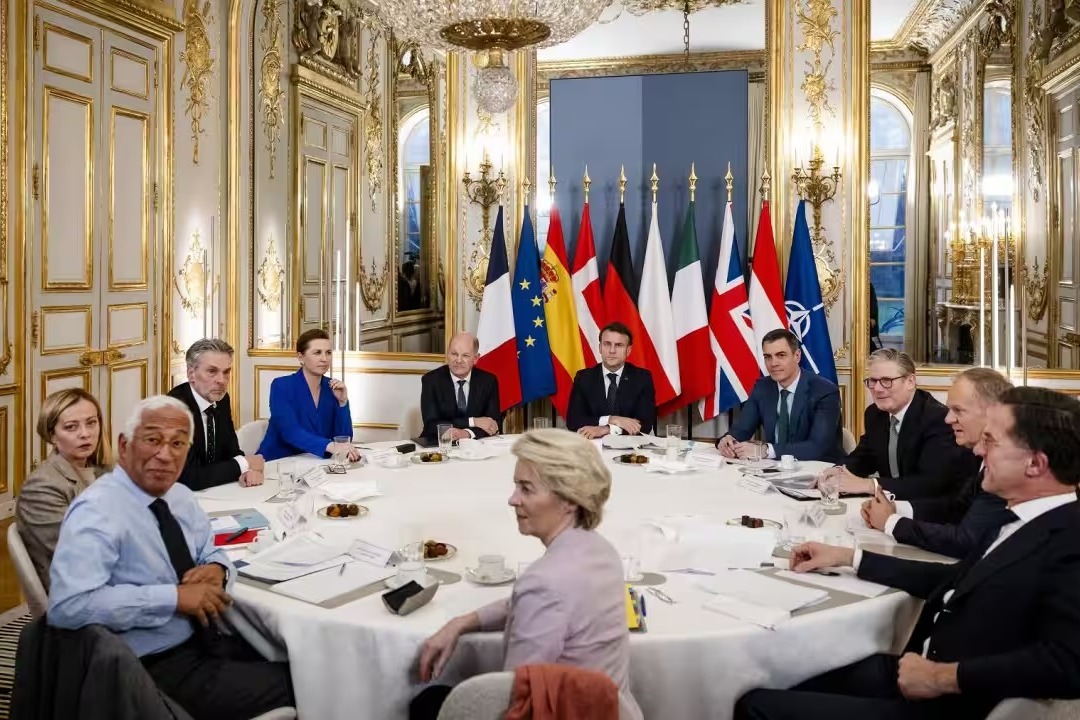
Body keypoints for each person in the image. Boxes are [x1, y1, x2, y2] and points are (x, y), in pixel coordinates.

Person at [734, 387, 1080, 720]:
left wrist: (942, 677)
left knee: (755, 705)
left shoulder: (1069, 541)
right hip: (913, 668)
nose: (977, 451)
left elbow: (1068, 664)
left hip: (941, 701)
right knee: (779, 674)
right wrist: (849, 557)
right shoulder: (1015, 516)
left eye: (991, 442)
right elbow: (957, 578)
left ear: (1035, 464)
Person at [47, 396, 295, 720]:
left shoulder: (179, 496)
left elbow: (210, 550)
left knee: (310, 660)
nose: (165, 455)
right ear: (124, 446)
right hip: (148, 667)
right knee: (308, 683)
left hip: (211, 640)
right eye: (153, 440)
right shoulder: (98, 511)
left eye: (178, 444)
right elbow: (68, 607)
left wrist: (217, 569)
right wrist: (173, 598)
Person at [410, 429, 638, 719]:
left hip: (563, 713)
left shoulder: (544, 582)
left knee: (426, 702)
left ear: (569, 499)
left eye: (526, 489)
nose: (512, 499)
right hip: (611, 710)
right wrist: (462, 623)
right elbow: (540, 603)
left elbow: (516, 702)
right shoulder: (602, 551)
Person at [860, 367, 1012, 558]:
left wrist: (891, 522)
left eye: (958, 410)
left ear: (992, 413)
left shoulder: (1007, 467)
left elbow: (965, 540)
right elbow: (956, 508)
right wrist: (895, 509)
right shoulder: (971, 453)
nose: (948, 419)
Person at [826, 349, 968, 500]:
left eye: (886, 381)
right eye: (873, 381)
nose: (877, 389)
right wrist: (837, 472)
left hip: (927, 506)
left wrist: (870, 485)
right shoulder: (874, 413)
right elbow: (864, 457)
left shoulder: (937, 418)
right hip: (889, 501)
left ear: (910, 382)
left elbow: (929, 484)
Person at [16, 388, 111, 589]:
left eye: (91, 423)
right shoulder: (40, 487)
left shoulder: (104, 472)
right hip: (80, 592)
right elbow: (81, 555)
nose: (85, 434)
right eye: (71, 427)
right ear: (52, 436)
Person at [716, 328, 843, 463]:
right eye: (768, 357)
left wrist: (765, 450)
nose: (773, 363)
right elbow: (741, 430)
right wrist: (727, 441)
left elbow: (817, 447)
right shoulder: (763, 387)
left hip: (821, 468)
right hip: (776, 468)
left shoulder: (824, 391)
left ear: (797, 356)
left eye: (781, 355)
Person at [169, 338, 265, 490]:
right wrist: (244, 463)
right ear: (191, 374)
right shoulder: (174, 409)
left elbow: (231, 450)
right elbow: (188, 477)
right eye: (212, 371)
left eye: (226, 372)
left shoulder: (221, 399)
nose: (222, 380)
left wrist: (246, 471)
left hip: (214, 492)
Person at [257, 328, 359, 462]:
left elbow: (343, 439)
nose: (324, 359)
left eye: (328, 353)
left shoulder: (332, 387)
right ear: (301, 357)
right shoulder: (282, 386)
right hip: (278, 462)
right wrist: (331, 446)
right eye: (317, 353)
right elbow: (291, 432)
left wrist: (342, 403)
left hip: (315, 463)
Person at [566, 322, 656, 438]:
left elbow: (644, 424)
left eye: (618, 345)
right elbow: (573, 421)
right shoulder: (583, 378)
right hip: (593, 444)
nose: (612, 350)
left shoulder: (642, 378)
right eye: (607, 344)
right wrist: (611, 419)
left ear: (628, 350)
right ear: (600, 348)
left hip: (630, 446)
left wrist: (607, 429)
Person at [419, 332, 501, 442]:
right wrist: (473, 421)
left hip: (476, 444)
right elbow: (431, 425)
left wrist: (466, 434)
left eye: (465, 355)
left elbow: (493, 424)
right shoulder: (431, 380)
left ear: (475, 358)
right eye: (454, 354)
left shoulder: (488, 381)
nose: (458, 360)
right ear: (448, 354)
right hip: (438, 444)